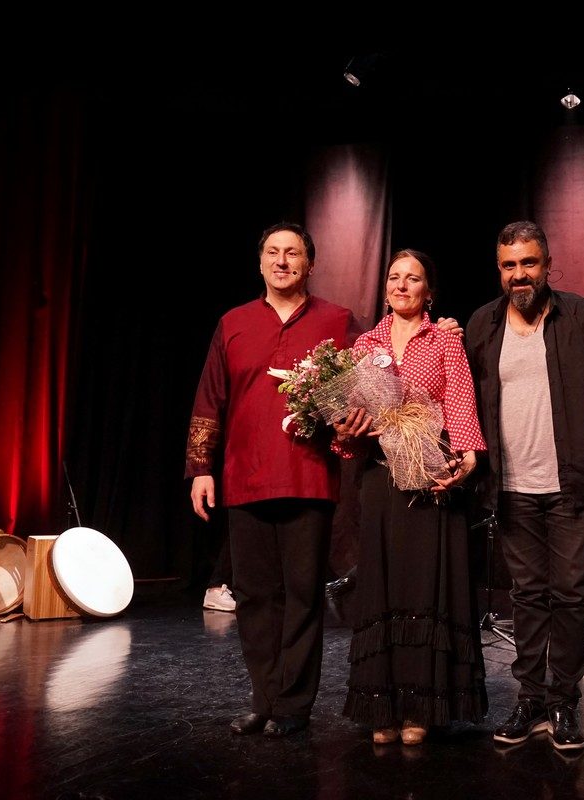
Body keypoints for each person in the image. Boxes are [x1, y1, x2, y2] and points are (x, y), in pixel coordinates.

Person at [185, 222, 361, 738]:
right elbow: (210, 399)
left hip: (309, 479)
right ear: (260, 261)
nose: (282, 261)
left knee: (303, 595)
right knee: (255, 597)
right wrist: (200, 470)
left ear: (310, 263)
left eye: (293, 253)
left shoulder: (337, 320)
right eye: (273, 252)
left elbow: (370, 377)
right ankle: (263, 699)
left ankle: (292, 706)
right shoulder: (233, 322)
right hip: (244, 479)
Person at [465, 221, 584, 751]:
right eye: (509, 265)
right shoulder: (481, 324)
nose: (519, 274)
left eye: (529, 263)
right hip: (511, 488)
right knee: (527, 595)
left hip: (574, 484)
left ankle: (564, 702)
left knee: (571, 594)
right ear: (499, 269)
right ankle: (530, 698)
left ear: (548, 265)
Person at [333, 249, 489, 745]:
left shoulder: (444, 339)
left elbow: (460, 400)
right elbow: (349, 424)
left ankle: (421, 707)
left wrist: (467, 456)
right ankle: (382, 707)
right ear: (385, 288)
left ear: (429, 292)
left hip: (429, 476)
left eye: (413, 278)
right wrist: (345, 428)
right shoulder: (364, 346)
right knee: (382, 586)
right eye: (394, 277)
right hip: (380, 479)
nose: (402, 285)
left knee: (425, 588)